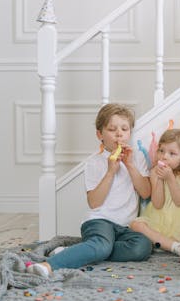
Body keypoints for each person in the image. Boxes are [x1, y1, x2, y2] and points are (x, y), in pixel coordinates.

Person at [27, 103, 152, 277]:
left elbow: (146, 192)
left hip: (125, 226)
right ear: (100, 135)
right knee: (102, 245)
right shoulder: (95, 162)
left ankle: (80, 250)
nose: (119, 133)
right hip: (99, 221)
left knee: (143, 247)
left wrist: (130, 165)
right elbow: (94, 203)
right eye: (112, 129)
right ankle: (48, 266)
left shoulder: (137, 158)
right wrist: (110, 172)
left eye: (124, 129)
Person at [130, 129, 180, 258]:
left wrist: (170, 178)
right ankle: (173, 246)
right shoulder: (154, 172)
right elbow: (157, 203)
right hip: (158, 219)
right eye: (161, 151)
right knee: (136, 225)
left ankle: (166, 244)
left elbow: (179, 200)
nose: (164, 156)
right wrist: (160, 179)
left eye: (172, 153)